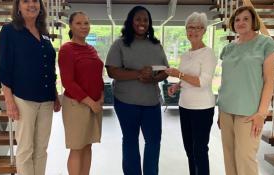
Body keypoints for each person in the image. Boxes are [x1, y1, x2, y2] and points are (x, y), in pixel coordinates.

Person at [0, 0, 61, 174]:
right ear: (18, 6)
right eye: (26, 1)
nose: (31, 4)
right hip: (23, 99)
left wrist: (55, 94)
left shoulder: (44, 32)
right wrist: (9, 101)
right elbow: (3, 68)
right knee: (25, 149)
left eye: (35, 1)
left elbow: (49, 66)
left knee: (41, 149)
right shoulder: (9, 31)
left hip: (46, 99)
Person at [105, 6, 168, 175]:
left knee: (154, 142)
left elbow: (164, 70)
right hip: (126, 104)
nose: (142, 23)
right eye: (138, 19)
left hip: (152, 103)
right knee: (130, 141)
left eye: (146, 20)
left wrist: (153, 78)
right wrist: (138, 73)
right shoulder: (120, 44)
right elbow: (112, 71)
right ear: (131, 21)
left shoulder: (156, 45)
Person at [217, 6, 274, 175]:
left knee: (245, 158)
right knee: (229, 157)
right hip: (226, 110)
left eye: (245, 19)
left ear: (253, 22)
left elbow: (269, 81)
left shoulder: (265, 43)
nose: (241, 22)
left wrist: (262, 113)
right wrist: (220, 110)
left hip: (250, 112)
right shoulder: (228, 48)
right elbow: (225, 81)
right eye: (237, 19)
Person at [165, 12, 217, 175]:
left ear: (204, 30)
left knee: (200, 150)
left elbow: (203, 82)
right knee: (189, 150)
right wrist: (177, 86)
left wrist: (178, 75)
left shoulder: (208, 53)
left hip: (202, 108)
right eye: (190, 27)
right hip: (185, 106)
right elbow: (187, 78)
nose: (193, 31)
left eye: (197, 27)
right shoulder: (186, 54)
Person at [58, 11, 104, 175]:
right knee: (77, 148)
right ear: (70, 26)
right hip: (77, 105)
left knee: (88, 145)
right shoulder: (66, 49)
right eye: (78, 23)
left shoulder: (91, 49)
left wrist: (101, 96)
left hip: (95, 105)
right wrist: (90, 102)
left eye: (86, 23)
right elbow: (68, 82)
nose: (84, 27)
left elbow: (97, 75)